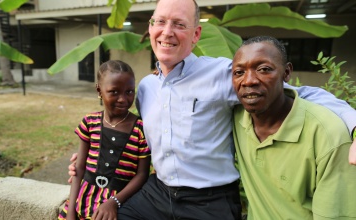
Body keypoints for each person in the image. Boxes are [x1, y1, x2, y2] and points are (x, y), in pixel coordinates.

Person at [69, 0, 356, 219]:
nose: (167, 32)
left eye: (179, 25)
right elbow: (129, 130)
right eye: (160, 22)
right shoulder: (145, 88)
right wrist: (91, 152)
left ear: (196, 35)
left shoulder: (223, 74)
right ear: (151, 28)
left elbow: (297, 93)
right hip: (158, 191)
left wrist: (354, 123)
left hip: (210, 201)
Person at [231, 35, 356, 219]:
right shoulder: (236, 117)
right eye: (239, 72)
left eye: (264, 69)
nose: (249, 80)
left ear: (287, 73)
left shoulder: (328, 135)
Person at [58, 60, 151, 220]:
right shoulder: (90, 122)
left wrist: (114, 202)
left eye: (129, 91)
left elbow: (142, 174)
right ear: (99, 90)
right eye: (114, 92)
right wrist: (71, 210)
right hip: (83, 200)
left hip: (119, 203)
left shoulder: (140, 129)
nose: (123, 99)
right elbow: (79, 168)